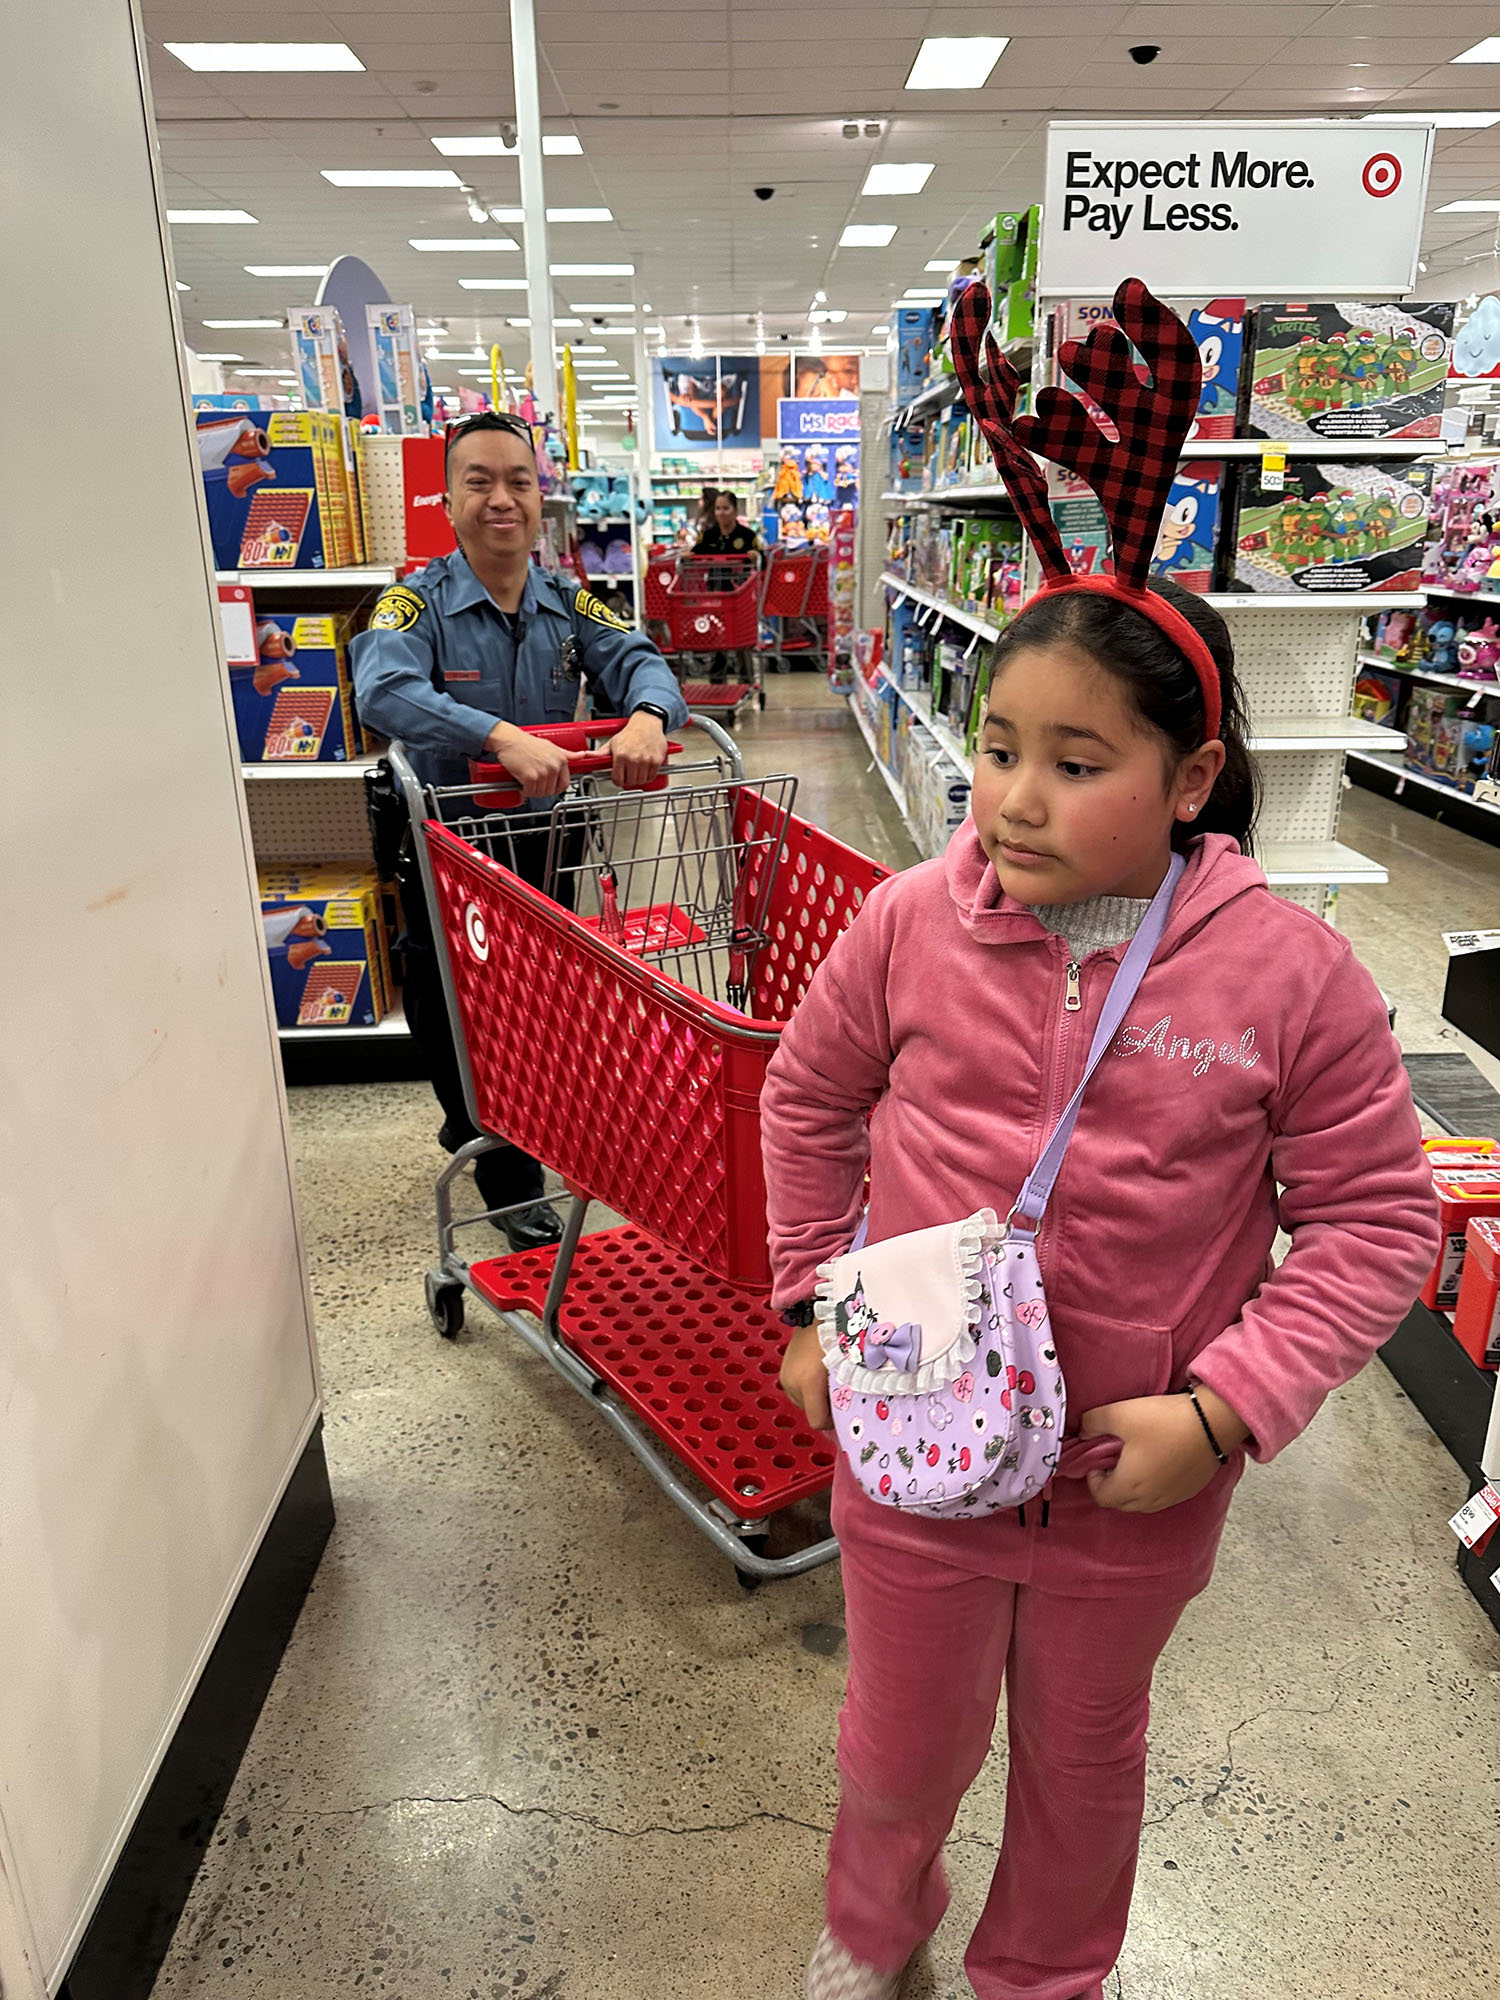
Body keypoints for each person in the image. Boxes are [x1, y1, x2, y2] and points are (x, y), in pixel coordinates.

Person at [763, 275, 1440, 2000]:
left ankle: (1046, 1972)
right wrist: (805, 1309)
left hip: (1129, 1480)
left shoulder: (1289, 977)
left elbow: (1375, 1222)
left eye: (1075, 761)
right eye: (997, 747)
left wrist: (1228, 1409)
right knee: (899, 1746)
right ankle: (871, 1928)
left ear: (1195, 774)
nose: (1010, 797)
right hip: (913, 1434)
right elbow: (809, 1097)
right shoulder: (914, 922)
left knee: (1085, 1758)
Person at [351, 410, 688, 1252]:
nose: (503, 500)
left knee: (536, 1003)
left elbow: (641, 659)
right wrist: (499, 737)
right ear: (447, 497)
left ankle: (511, 1139)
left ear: (541, 497)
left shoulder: (568, 602)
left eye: (520, 482)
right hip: (446, 852)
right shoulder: (416, 602)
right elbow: (380, 690)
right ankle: (495, 1155)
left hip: (539, 843)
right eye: (480, 482)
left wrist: (646, 713)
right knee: (453, 1012)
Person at [690, 490, 760, 683]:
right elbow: (695, 553)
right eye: (718, 509)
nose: (721, 513)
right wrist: (689, 556)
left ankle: (746, 680)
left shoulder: (747, 535)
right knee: (717, 637)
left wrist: (755, 556)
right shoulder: (708, 535)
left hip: (741, 595)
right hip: (715, 593)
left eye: (726, 508)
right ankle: (717, 680)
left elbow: (761, 558)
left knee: (741, 638)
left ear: (735, 510)